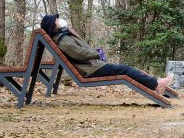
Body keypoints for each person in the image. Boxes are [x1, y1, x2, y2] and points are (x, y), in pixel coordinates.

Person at [40, 14, 173, 95]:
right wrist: (97, 53)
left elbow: (81, 49)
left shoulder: (65, 36)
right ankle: (156, 83)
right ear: (54, 27)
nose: (59, 21)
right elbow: (80, 54)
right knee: (125, 70)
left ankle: (156, 83)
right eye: (56, 21)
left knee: (129, 70)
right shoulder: (64, 41)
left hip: (93, 66)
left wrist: (74, 35)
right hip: (92, 69)